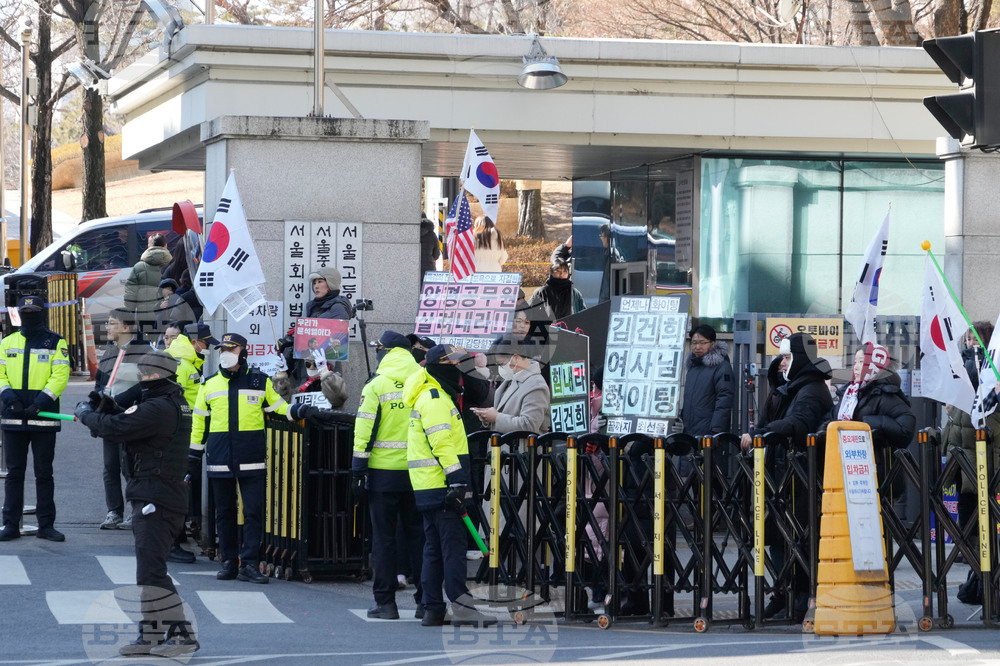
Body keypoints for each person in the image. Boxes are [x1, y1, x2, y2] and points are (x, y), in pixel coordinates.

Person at [74, 352, 200, 658]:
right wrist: (108, 407)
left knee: (151, 572)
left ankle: (181, 636)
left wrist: (86, 413)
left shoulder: (159, 407)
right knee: (151, 570)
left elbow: (118, 428)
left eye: (143, 374)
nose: (140, 379)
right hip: (156, 493)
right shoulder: (168, 401)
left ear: (156, 376)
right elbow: (124, 419)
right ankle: (152, 635)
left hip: (157, 496)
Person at [740, 333, 833, 622]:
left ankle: (801, 595)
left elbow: (798, 423)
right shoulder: (788, 388)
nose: (782, 364)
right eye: (781, 358)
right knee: (777, 535)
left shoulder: (813, 389)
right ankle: (783, 591)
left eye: (788, 358)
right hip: (778, 475)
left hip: (800, 477)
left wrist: (758, 435)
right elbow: (771, 418)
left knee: (800, 537)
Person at [403, 344, 496, 627]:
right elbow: (442, 444)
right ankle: (462, 606)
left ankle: (432, 607)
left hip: (431, 485)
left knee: (434, 548)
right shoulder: (435, 399)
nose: (459, 372)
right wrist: (456, 480)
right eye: (454, 366)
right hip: (444, 485)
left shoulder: (434, 395)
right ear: (441, 368)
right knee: (452, 548)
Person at [189, 333, 290, 584]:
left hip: (251, 456)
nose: (225, 353)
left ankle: (250, 564)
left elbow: (279, 408)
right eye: (223, 349)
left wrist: (302, 410)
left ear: (243, 352)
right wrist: (193, 455)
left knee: (254, 512)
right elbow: (199, 422)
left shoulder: (259, 381)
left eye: (231, 349)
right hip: (219, 457)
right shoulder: (209, 384)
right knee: (224, 513)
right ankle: (228, 562)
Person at [348, 331, 425, 619]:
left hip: (383, 474)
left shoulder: (376, 384)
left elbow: (364, 430)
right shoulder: (424, 380)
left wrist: (358, 469)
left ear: (387, 352)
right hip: (419, 473)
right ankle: (425, 602)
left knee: (384, 539)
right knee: (420, 538)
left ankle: (386, 603)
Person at [0, 296, 71, 542]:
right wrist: (11, 400)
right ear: (19, 313)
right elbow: (0, 375)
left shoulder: (55, 341)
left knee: (44, 473)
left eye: (34, 311)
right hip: (13, 416)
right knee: (14, 474)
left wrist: (40, 403)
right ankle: (10, 524)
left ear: (42, 313)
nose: (29, 315)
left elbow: (61, 375)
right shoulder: (7, 342)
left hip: (43, 418)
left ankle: (46, 525)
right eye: (25, 311)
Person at [164, 322, 221, 564]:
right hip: (175, 435)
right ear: (195, 342)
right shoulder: (180, 364)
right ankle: (171, 543)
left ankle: (175, 539)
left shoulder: (186, 362)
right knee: (174, 489)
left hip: (180, 433)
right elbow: (172, 401)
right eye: (206, 343)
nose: (207, 348)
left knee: (178, 489)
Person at [831, 343, 916, 495]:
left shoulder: (886, 394)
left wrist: (869, 423)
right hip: (848, 472)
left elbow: (905, 429)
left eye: (862, 361)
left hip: (878, 477)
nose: (856, 367)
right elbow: (832, 419)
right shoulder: (849, 394)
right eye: (855, 362)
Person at [94, 309, 151, 531]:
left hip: (131, 417)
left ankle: (135, 510)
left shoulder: (143, 351)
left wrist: (118, 401)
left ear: (126, 328)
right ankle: (114, 512)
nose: (107, 328)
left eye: (111, 324)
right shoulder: (109, 351)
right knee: (110, 466)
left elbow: (144, 385)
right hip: (108, 417)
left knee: (131, 467)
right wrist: (97, 407)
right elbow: (100, 383)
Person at [473, 335, 550, 434]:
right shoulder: (512, 378)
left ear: (516, 358)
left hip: (522, 447)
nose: (500, 368)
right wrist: (488, 417)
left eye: (502, 363)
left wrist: (496, 417)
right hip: (503, 445)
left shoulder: (536, 385)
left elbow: (529, 425)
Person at [680, 325, 734, 439]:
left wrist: (715, 431)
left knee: (708, 457)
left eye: (702, 342)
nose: (697, 347)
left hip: (709, 433)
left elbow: (724, 400)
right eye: (694, 343)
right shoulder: (692, 366)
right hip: (689, 430)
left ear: (712, 343)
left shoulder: (721, 367)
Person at [124, 233, 172, 329]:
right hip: (169, 313)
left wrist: (130, 315)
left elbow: (130, 293)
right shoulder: (174, 264)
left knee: (149, 342)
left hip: (145, 317)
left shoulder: (139, 267)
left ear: (149, 246)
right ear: (166, 246)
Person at [420, 213, 441, 279]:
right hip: (429, 266)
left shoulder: (411, 233)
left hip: (413, 267)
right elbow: (436, 254)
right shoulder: (432, 235)